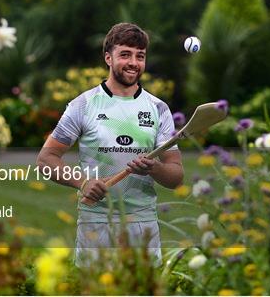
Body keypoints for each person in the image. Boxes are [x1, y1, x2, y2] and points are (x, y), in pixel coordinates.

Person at [36, 22, 184, 266]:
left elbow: (176, 176)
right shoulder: (83, 105)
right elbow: (45, 159)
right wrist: (82, 182)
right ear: (108, 58)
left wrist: (154, 168)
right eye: (125, 54)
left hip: (142, 224)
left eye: (140, 56)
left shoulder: (159, 109)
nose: (133, 63)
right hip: (96, 222)